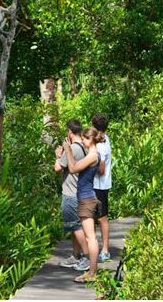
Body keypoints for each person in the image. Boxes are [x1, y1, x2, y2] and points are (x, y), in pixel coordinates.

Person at [63, 127, 104, 283]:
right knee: (89, 237)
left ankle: (92, 273)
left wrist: (67, 149)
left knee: (90, 238)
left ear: (91, 140)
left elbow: (72, 168)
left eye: (85, 139)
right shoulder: (92, 155)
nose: (83, 141)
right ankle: (91, 271)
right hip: (86, 197)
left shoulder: (93, 155)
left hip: (87, 199)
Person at [54, 120, 90, 271]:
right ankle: (76, 255)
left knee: (76, 227)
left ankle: (86, 257)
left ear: (69, 131)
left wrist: (58, 155)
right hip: (79, 191)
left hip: (71, 193)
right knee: (74, 226)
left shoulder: (72, 149)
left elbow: (58, 168)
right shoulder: (83, 147)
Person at [92, 113, 112, 262]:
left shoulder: (101, 146)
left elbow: (101, 169)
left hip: (100, 186)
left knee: (102, 218)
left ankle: (105, 250)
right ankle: (93, 249)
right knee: (93, 218)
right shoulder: (105, 138)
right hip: (99, 185)